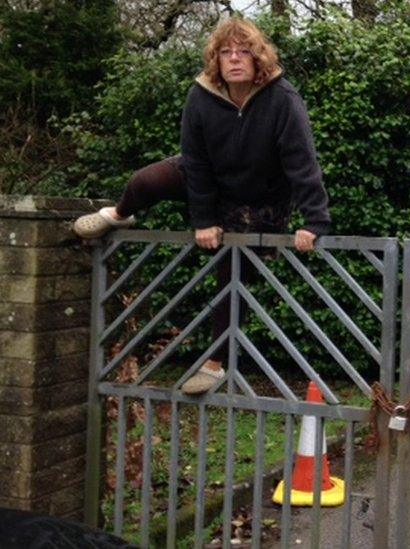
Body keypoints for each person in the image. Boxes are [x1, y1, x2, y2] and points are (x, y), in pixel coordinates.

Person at [74, 17, 331, 395]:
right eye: (226, 53)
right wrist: (205, 219)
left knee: (233, 276)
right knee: (146, 180)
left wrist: (315, 221)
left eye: (244, 51)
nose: (235, 59)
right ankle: (117, 215)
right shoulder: (202, 96)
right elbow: (195, 162)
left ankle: (216, 364)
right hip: (213, 179)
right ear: (216, 60)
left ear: (259, 58)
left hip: (261, 201)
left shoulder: (282, 99)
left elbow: (301, 161)